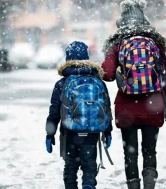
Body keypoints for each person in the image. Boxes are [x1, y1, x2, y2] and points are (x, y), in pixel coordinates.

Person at [101, 0, 166, 189]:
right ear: (144, 18)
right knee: (150, 150)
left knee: (130, 153)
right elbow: (165, 75)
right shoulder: (154, 42)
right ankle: (150, 185)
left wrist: (117, 72)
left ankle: (133, 186)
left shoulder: (118, 43)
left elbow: (107, 74)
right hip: (153, 105)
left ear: (121, 20)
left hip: (127, 108)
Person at [45, 41, 113, 189]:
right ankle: (88, 185)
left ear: (68, 59)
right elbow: (106, 108)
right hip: (91, 132)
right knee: (89, 165)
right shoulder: (97, 80)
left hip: (70, 132)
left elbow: (54, 111)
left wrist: (49, 135)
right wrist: (108, 131)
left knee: (70, 167)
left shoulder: (62, 83)